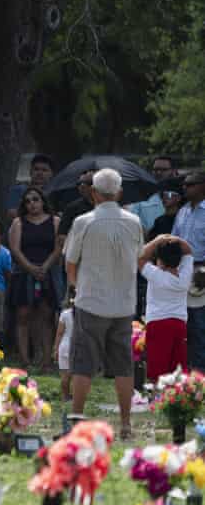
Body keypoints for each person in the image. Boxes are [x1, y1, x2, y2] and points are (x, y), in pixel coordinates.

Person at [66, 168, 145, 440]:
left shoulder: (83, 221)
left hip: (91, 301)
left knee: (83, 363)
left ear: (93, 192)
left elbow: (71, 263)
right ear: (119, 192)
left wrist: (78, 288)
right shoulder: (134, 222)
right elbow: (138, 259)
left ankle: (77, 419)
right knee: (124, 365)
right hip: (123, 303)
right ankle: (125, 424)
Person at [8, 187, 61, 370]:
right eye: (28, 201)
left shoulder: (55, 221)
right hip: (24, 273)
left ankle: (47, 360)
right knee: (23, 315)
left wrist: (45, 267)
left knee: (47, 315)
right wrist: (30, 268)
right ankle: (25, 360)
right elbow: (14, 249)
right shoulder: (18, 223)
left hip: (48, 271)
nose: (32, 204)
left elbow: (58, 247)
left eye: (36, 199)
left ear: (43, 201)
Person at [139, 235, 193, 380]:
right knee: (178, 368)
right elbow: (189, 251)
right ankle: (176, 399)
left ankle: (157, 399)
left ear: (160, 261)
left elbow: (140, 257)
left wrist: (158, 240)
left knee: (158, 368)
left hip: (158, 323)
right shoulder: (184, 277)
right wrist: (177, 239)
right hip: (179, 324)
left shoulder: (155, 274)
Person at [172, 171, 205, 371]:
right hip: (182, 269)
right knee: (186, 321)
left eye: (190, 184)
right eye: (184, 185)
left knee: (199, 321)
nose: (185, 188)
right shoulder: (183, 211)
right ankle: (188, 366)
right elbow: (173, 239)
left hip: (201, 269)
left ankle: (200, 369)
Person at [130, 156, 177, 233]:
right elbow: (131, 222)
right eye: (155, 169)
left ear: (174, 171)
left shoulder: (184, 196)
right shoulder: (141, 198)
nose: (158, 173)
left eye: (163, 170)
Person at [5, 154, 54, 221]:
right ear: (30, 171)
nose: (39, 173)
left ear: (51, 173)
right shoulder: (18, 189)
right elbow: (11, 214)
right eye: (36, 169)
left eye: (44, 170)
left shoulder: (54, 192)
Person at [58, 169, 96, 246]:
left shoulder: (108, 207)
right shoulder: (71, 208)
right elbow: (62, 237)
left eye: (88, 182)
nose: (82, 186)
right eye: (79, 183)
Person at [52, 290, 75, 401]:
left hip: (64, 347)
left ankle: (65, 396)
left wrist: (56, 349)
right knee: (76, 375)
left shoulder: (65, 314)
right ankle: (76, 396)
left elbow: (59, 333)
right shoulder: (84, 315)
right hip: (77, 347)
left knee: (65, 376)